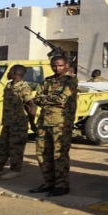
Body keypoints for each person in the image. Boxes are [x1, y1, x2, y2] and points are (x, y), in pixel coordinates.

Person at [0, 65, 36, 180]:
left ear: (15, 73)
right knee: (2, 147)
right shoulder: (9, 86)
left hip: (18, 123)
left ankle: (16, 170)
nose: (8, 73)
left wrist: (32, 123)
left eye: (9, 71)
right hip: (8, 122)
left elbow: (32, 106)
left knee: (16, 148)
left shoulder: (23, 87)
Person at [30, 56, 78, 197]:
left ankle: (62, 185)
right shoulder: (48, 80)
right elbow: (36, 98)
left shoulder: (71, 81)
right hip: (44, 122)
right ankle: (48, 182)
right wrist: (49, 100)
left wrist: (45, 99)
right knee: (42, 154)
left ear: (67, 65)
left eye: (60, 65)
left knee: (59, 155)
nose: (56, 68)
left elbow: (62, 99)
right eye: (54, 65)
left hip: (61, 124)